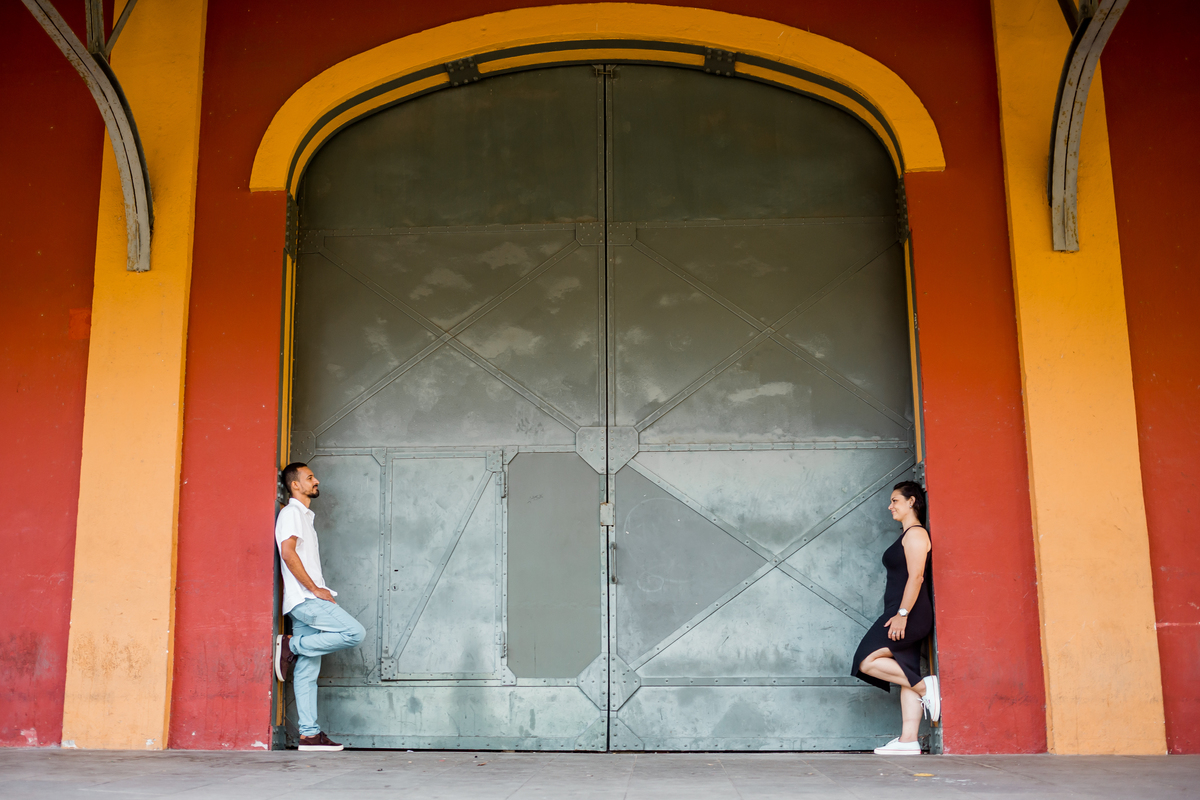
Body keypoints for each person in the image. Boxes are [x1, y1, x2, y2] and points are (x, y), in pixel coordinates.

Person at [273, 462, 365, 752]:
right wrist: (314, 588)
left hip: (302, 601)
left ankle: (309, 735)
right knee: (354, 632)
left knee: (306, 672)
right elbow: (287, 553)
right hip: (306, 600)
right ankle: (291, 645)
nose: (317, 481)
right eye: (310, 477)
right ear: (295, 485)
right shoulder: (291, 514)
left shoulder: (303, 517)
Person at [851, 480, 941, 755]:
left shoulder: (915, 534)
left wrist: (902, 614)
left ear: (912, 501)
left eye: (895, 501)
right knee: (906, 667)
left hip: (909, 614)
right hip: (900, 611)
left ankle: (926, 687)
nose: (890, 506)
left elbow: (917, 577)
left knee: (866, 661)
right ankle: (908, 740)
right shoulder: (907, 535)